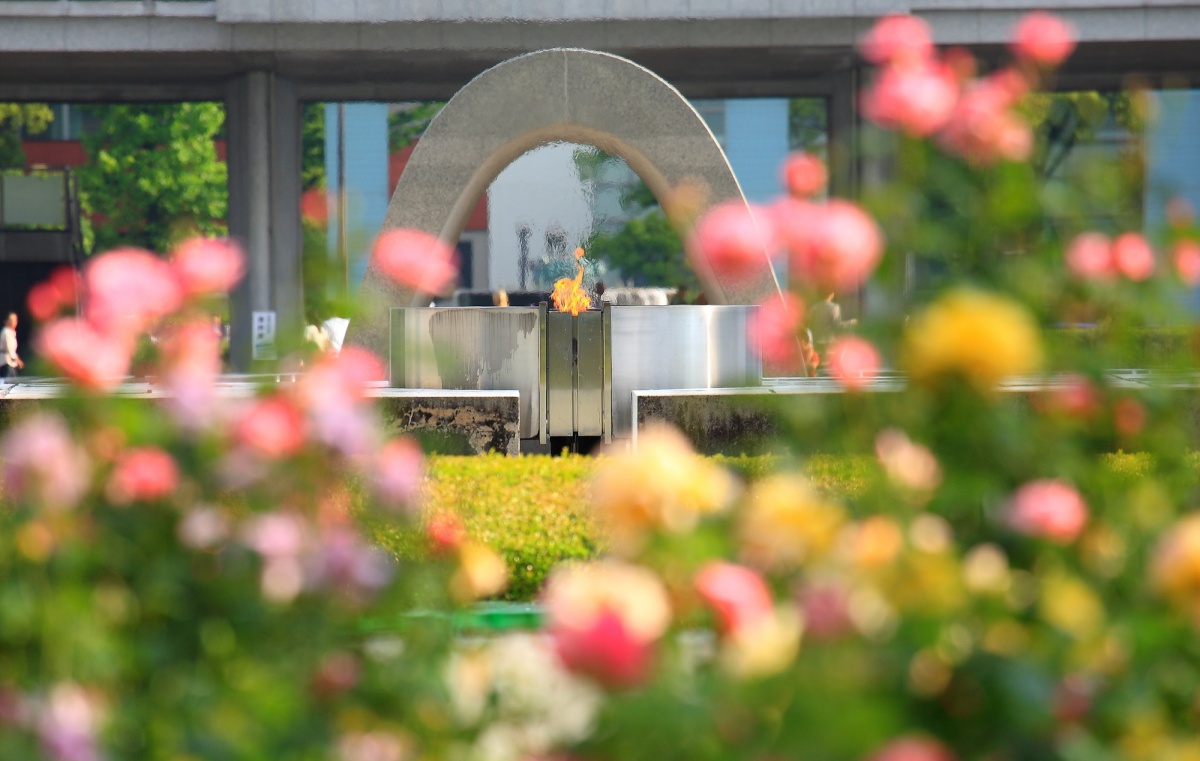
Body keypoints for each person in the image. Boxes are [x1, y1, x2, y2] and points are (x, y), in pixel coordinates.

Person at [1, 312, 24, 380]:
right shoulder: (6, 332)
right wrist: (18, 360)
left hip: (10, 363)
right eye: (10, 320)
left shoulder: (11, 332)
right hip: (6, 362)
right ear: (6, 321)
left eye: (14, 320)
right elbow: (10, 349)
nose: (13, 322)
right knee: (10, 383)